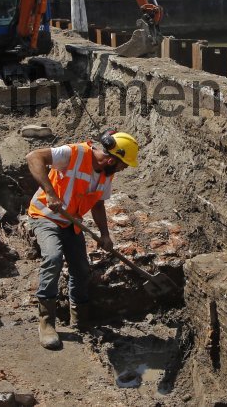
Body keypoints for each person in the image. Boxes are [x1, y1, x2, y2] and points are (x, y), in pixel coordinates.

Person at [24, 130, 140, 349]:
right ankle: (47, 322)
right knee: (53, 257)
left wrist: (105, 234)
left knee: (80, 269)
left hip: (71, 221)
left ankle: (81, 321)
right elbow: (33, 157)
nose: (124, 169)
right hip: (46, 216)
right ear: (111, 159)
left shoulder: (106, 174)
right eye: (123, 164)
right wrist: (49, 192)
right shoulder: (74, 153)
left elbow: (97, 204)